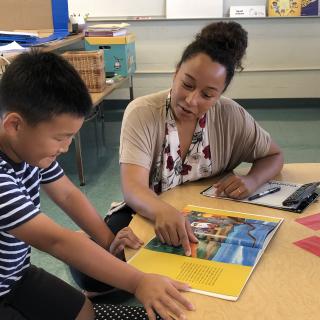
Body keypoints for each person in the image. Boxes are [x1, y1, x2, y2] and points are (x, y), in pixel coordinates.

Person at [0, 50, 194, 320]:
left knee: (84, 311)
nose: (66, 148)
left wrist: (108, 241)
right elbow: (57, 241)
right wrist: (138, 281)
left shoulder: (30, 149)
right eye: (60, 137)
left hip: (16, 274)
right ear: (14, 125)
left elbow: (67, 195)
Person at [116, 21, 284, 256]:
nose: (191, 100)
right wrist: (162, 211)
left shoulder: (230, 115)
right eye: (186, 84)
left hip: (210, 218)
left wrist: (253, 180)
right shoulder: (143, 113)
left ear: (219, 96)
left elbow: (274, 155)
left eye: (207, 95)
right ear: (175, 74)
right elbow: (133, 187)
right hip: (148, 213)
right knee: (98, 271)